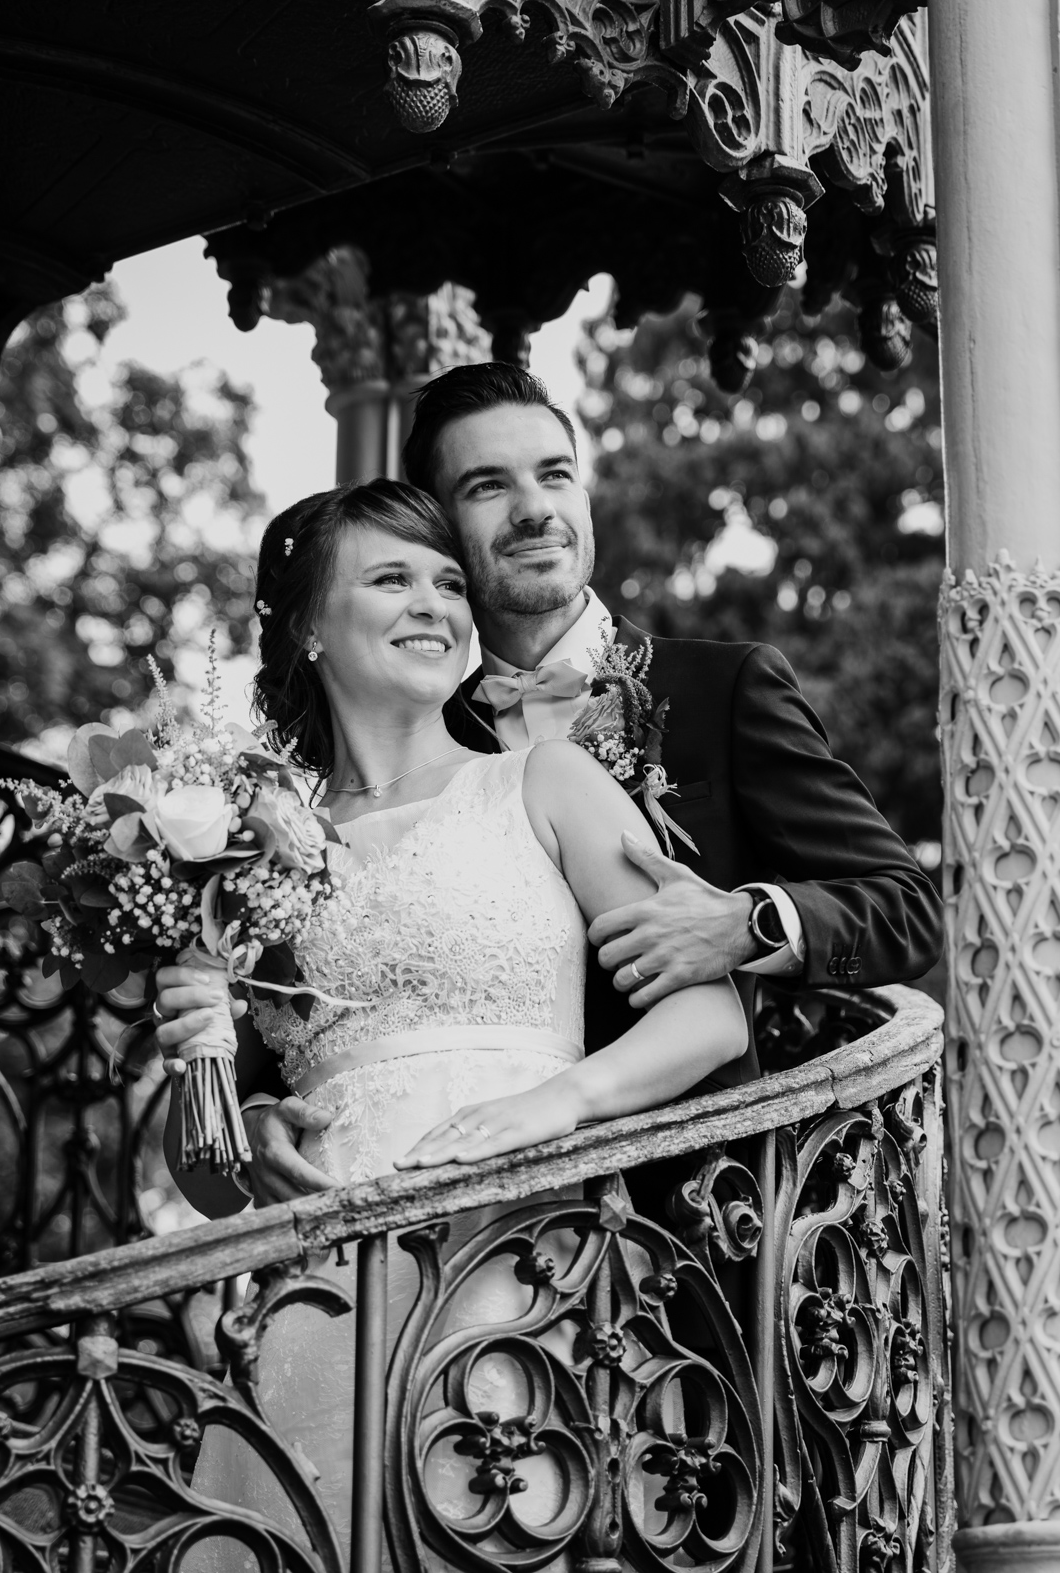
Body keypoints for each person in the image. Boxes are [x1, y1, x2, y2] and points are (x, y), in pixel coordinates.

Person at [157, 478, 745, 1559]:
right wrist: (249, 1122)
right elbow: (207, 1180)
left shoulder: (545, 783)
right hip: (322, 1296)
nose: (434, 603)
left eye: (446, 582)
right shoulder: (249, 857)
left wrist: (559, 1102)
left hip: (524, 1255)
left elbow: (710, 1017)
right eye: (392, 579)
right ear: (309, 627)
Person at [216, 362, 943, 1213]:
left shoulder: (722, 688)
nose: (534, 509)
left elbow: (905, 908)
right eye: (488, 485)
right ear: (437, 520)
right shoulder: (417, 729)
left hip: (690, 1211)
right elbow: (326, 1019)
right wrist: (255, 1113)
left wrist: (746, 922)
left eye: (556, 474)